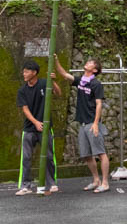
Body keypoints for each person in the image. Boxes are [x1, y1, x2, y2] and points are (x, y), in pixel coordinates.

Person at [54, 54, 110, 192]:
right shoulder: (81, 81)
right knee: (86, 155)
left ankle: (105, 183)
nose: (88, 62)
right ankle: (96, 180)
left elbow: (98, 104)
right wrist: (55, 60)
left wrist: (96, 123)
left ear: (95, 70)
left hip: (92, 123)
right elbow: (64, 74)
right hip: (83, 124)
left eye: (91, 62)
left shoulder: (96, 84)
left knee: (101, 153)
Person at [16, 59, 61, 195]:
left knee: (48, 155)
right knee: (26, 157)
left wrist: (53, 81)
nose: (24, 74)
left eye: (26, 71)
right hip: (29, 128)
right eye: (23, 71)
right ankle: (26, 186)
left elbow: (58, 93)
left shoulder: (43, 83)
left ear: (34, 72)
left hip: (46, 127)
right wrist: (35, 122)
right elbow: (25, 109)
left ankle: (52, 183)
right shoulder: (22, 90)